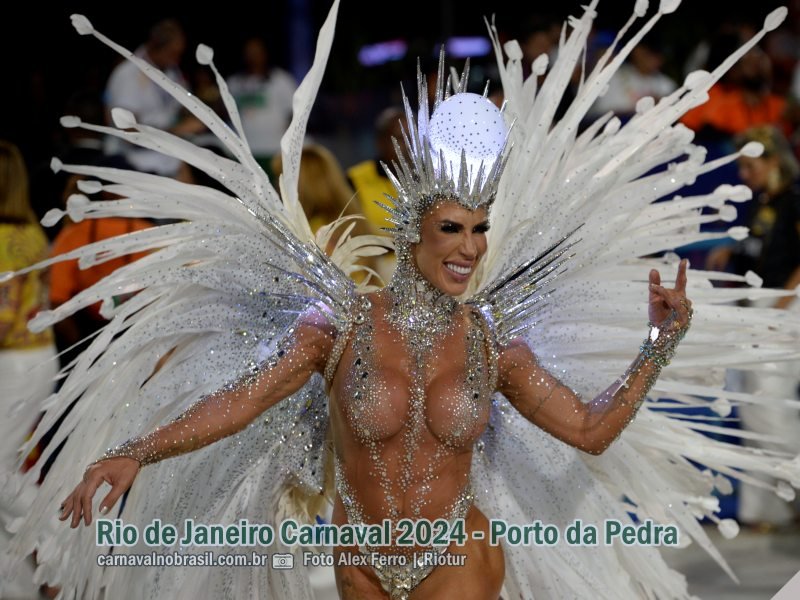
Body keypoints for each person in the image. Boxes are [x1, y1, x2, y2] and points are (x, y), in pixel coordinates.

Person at [4, 5, 800, 600]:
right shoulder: (338, 328)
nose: (469, 247)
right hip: (360, 564)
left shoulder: (493, 345)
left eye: (481, 229)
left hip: (457, 559)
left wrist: (659, 344)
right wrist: (134, 452)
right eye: (451, 227)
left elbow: (588, 431)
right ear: (414, 229)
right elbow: (239, 403)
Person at [706, 125, 800, 528]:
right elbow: (761, 248)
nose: (744, 174)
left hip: (782, 307)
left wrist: (782, 304)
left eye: (750, 166)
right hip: (758, 307)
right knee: (754, 407)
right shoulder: (764, 202)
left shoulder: (794, 200)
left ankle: (788, 499)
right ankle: (768, 510)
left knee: (770, 407)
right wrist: (731, 247)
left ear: (773, 160)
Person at [0, 140, 58, 599]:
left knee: (3, 470)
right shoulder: (32, 232)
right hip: (38, 357)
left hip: (14, 362)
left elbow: (3, 317)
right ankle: (20, 582)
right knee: (12, 466)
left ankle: (56, 550)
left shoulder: (2, 238)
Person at [104, 18, 204, 176]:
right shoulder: (128, 74)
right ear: (155, 46)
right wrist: (177, 131)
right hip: (132, 162)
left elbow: (181, 107)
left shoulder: (172, 71)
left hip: (165, 158)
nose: (177, 60)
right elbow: (128, 131)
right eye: (173, 54)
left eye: (179, 55)